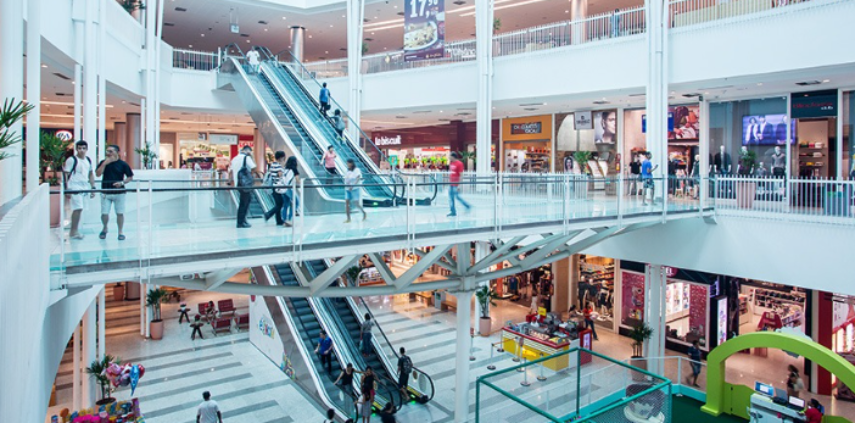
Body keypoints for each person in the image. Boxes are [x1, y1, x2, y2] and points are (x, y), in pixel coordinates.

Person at [96, 145, 134, 241]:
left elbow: (130, 176)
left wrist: (122, 183)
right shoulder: (103, 163)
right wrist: (104, 163)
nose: (108, 153)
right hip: (106, 191)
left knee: (120, 213)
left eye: (110, 151)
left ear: (117, 152)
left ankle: (120, 231)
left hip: (119, 192)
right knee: (104, 213)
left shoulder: (123, 164)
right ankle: (105, 228)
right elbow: (98, 174)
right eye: (107, 151)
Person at [63, 140, 96, 240]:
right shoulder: (72, 160)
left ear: (86, 149)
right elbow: (66, 174)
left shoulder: (88, 160)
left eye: (83, 148)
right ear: (76, 149)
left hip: (84, 186)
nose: (81, 150)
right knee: (78, 208)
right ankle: (73, 231)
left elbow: (90, 174)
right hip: (74, 186)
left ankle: (75, 230)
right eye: (79, 148)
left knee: (80, 208)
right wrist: (67, 189)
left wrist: (93, 187)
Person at [231, 145, 256, 228]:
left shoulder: (234, 159)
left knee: (245, 201)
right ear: (247, 151)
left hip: (238, 183)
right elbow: (253, 167)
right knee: (244, 203)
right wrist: (251, 177)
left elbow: (230, 171)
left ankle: (242, 220)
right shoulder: (247, 158)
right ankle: (241, 222)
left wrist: (230, 182)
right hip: (245, 184)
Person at [263, 151, 287, 226]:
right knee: (280, 203)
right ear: (281, 157)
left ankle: (278, 220)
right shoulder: (278, 166)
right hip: (278, 187)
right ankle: (268, 214)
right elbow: (280, 176)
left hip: (273, 186)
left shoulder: (272, 165)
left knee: (278, 203)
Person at [447, 152, 471, 217]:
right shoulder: (451, 163)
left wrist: (459, 185)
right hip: (451, 183)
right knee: (451, 198)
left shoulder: (459, 164)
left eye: (450, 156)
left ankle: (467, 205)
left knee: (457, 197)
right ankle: (453, 211)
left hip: (456, 184)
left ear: (453, 157)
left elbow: (461, 175)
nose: (449, 157)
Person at [344, 159, 366, 223]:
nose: (347, 165)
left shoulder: (357, 170)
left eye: (348, 163)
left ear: (352, 163)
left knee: (356, 203)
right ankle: (348, 218)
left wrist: (353, 185)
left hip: (355, 189)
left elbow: (358, 178)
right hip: (347, 189)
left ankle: (363, 213)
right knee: (347, 203)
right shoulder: (347, 170)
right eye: (347, 163)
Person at [281, 156, 300, 226]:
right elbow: (298, 180)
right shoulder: (294, 169)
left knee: (286, 204)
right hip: (289, 188)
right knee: (296, 203)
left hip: (283, 188)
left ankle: (284, 220)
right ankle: (289, 219)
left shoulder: (285, 169)